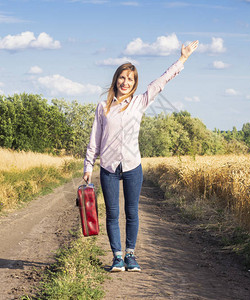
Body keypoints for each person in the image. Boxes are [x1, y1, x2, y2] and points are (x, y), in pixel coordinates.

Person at [83, 40, 199, 272]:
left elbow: (162, 81)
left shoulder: (140, 102)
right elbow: (95, 138)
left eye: (131, 79)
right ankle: (117, 257)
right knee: (113, 213)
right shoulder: (102, 107)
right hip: (108, 167)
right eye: (123, 77)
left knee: (132, 212)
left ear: (135, 84)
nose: (126, 82)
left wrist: (183, 59)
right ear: (116, 79)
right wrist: (88, 165)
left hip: (133, 166)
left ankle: (130, 255)